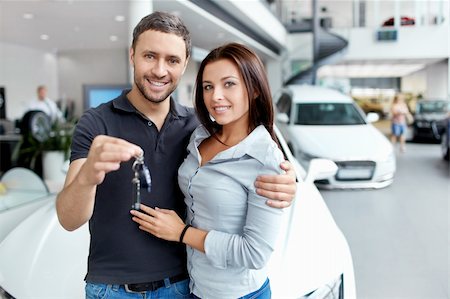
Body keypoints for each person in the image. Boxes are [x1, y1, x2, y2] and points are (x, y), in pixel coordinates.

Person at [56, 12, 296, 299]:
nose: (160, 70)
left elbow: (251, 156)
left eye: (172, 60)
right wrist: (88, 175)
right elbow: (69, 220)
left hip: (185, 287)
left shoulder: (196, 127)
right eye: (149, 56)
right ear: (132, 55)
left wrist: (288, 181)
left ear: (184, 66)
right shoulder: (96, 123)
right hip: (112, 290)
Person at [131, 43, 285, 299]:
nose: (215, 97)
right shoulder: (199, 136)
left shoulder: (266, 159)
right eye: (208, 87)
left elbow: (254, 254)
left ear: (255, 89)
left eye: (229, 84)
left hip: (238, 294)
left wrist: (181, 233)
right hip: (196, 288)